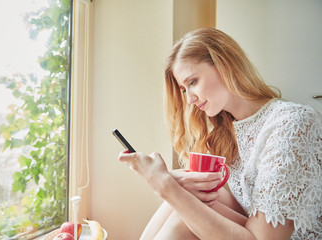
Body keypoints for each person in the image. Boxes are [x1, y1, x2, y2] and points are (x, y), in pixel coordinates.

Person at [118, 28, 322, 239]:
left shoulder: (291, 123)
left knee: (183, 205)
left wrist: (164, 186)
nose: (190, 99)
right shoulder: (228, 130)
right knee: (188, 198)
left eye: (193, 82)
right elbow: (245, 210)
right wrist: (173, 180)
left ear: (224, 64)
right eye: (184, 89)